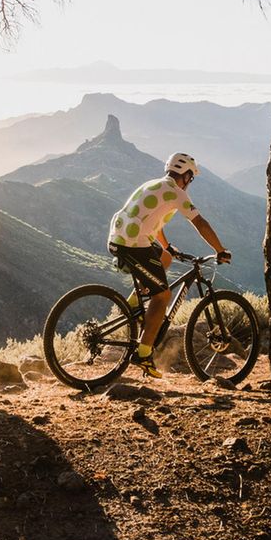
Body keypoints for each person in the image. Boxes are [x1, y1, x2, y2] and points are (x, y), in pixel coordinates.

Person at [107, 152, 231, 378]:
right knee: (162, 296)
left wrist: (168, 247)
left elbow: (155, 222)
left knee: (166, 257)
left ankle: (135, 305)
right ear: (186, 176)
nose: (189, 183)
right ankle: (143, 354)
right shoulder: (176, 192)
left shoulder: (155, 184)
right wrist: (219, 250)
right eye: (190, 178)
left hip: (120, 238)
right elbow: (200, 223)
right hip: (133, 243)